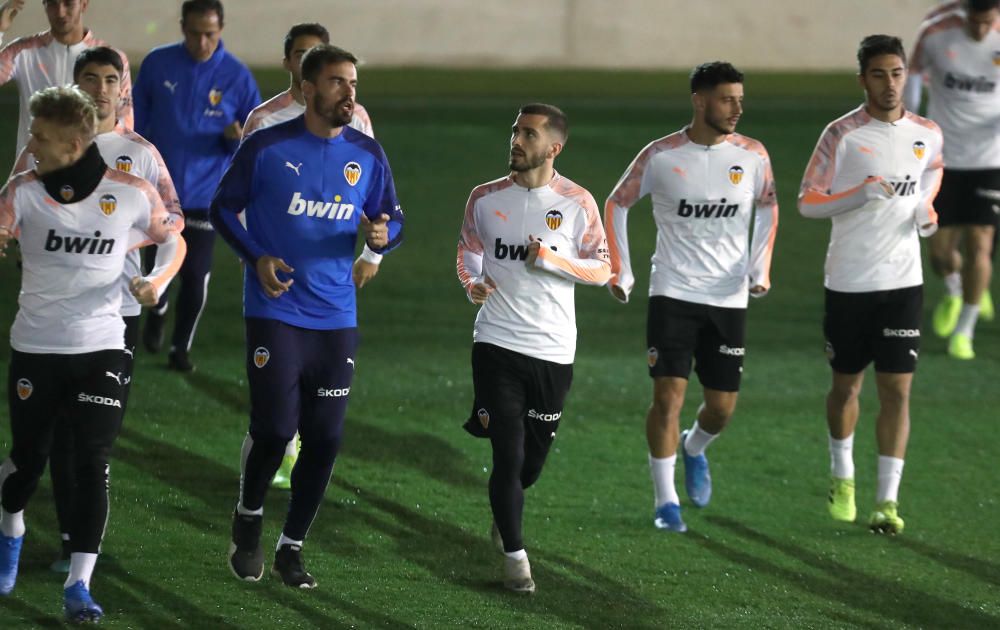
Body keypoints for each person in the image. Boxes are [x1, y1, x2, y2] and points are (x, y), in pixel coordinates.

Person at [210, 44, 403, 588]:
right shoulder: (268, 146)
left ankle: (291, 546)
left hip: (336, 314)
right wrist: (258, 257)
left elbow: (392, 218)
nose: (350, 93)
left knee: (325, 439)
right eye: (339, 83)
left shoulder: (367, 153)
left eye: (354, 84)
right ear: (309, 87)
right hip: (274, 308)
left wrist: (382, 237)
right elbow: (223, 208)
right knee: (273, 430)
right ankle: (248, 517)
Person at [0, 85, 177, 623]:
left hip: (102, 343)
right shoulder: (22, 191)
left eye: (41, 137)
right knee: (26, 465)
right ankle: (11, 530)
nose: (30, 144)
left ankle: (80, 585)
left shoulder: (130, 191)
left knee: (91, 462)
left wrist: (156, 282)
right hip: (35, 347)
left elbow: (174, 238)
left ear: (74, 143)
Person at [603, 62, 778, 533]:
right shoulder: (661, 156)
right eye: (727, 99)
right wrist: (623, 269)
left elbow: (768, 205)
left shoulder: (753, 155)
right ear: (700, 101)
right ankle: (666, 502)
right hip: (673, 291)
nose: (737, 108)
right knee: (668, 396)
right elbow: (617, 201)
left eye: (741, 99)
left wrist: (758, 268)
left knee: (721, 408)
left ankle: (695, 447)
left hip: (728, 297)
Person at [457, 103, 611, 593]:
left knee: (529, 466)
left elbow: (603, 269)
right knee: (507, 452)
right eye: (515, 131)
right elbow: (468, 249)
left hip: (552, 350)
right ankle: (516, 559)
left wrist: (551, 258)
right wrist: (472, 283)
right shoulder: (484, 198)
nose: (517, 140)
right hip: (496, 341)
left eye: (529, 134)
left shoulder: (577, 203)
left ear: (553, 148)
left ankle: (507, 511)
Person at [799, 35, 943, 535]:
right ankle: (843, 475)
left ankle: (887, 501)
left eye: (897, 73)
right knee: (846, 387)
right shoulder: (842, 135)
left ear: (907, 75)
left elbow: (932, 173)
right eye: (879, 74)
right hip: (849, 281)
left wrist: (925, 209)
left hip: (903, 283)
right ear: (863, 79)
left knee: (897, 391)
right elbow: (807, 201)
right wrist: (857, 195)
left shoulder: (927, 132)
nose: (890, 83)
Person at [241, 22, 381, 490]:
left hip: (331, 291)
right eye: (301, 54)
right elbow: (237, 200)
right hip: (276, 286)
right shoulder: (264, 122)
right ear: (294, 67)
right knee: (273, 421)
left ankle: (290, 534)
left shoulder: (357, 120)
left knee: (321, 428)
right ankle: (254, 491)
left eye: (316, 54)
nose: (308, 60)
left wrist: (373, 253)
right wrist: (256, 255)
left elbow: (372, 194)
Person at [132, 0, 260, 372]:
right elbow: (136, 121)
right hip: (159, 192)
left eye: (210, 34)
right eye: (194, 33)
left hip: (207, 196)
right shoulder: (158, 64)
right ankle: (158, 309)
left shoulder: (237, 76)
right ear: (182, 27)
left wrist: (232, 140)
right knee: (159, 267)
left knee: (196, 273)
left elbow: (253, 140)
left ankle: (180, 349)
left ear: (221, 30)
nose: (202, 42)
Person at [904, 0, 1000, 359]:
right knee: (941, 253)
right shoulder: (936, 31)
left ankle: (966, 330)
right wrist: (910, 127)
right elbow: (912, 74)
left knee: (981, 241)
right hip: (942, 157)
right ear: (964, 14)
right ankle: (955, 289)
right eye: (974, 22)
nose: (980, 30)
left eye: (987, 22)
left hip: (991, 158)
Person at [0, 0, 132, 155]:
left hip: (91, 173)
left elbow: (124, 119)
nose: (60, 12)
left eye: (68, 3)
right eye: (53, 4)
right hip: (33, 169)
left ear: (84, 4)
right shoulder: (22, 51)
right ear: (44, 5)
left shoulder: (112, 58)